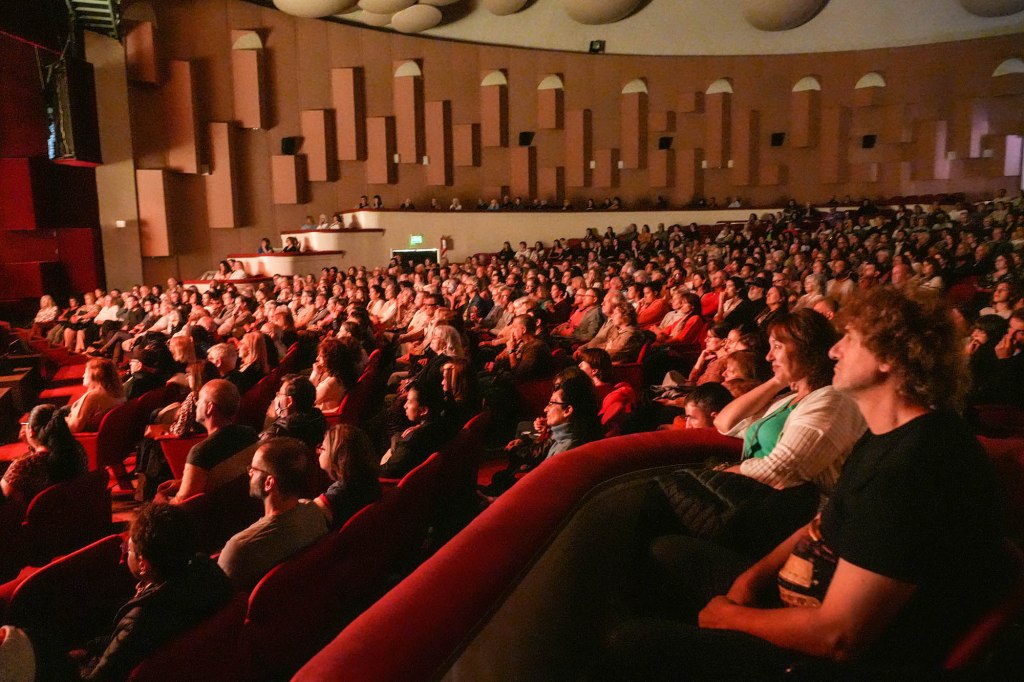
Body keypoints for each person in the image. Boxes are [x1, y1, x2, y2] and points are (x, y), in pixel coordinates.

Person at [607, 287, 1012, 679]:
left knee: (628, 643)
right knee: (665, 552)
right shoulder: (885, 433)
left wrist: (732, 618)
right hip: (805, 594)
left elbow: (840, 637)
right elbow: (824, 522)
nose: (833, 350)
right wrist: (752, 580)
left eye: (849, 340)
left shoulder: (917, 466)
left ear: (890, 357)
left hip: (830, 658)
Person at [712, 309, 865, 498]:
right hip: (751, 494)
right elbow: (724, 423)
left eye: (777, 346)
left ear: (806, 349)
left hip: (788, 507)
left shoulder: (833, 401)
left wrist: (720, 474)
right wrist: (777, 381)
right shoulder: (788, 398)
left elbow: (781, 471)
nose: (768, 357)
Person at [75, 503, 233, 680]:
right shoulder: (207, 569)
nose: (124, 553)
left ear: (143, 564)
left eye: (127, 549)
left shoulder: (139, 621)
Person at [218, 438, 328, 591]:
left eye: (254, 469)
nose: (249, 472)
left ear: (269, 483)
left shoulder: (239, 549)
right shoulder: (314, 512)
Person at [160, 379, 259, 503]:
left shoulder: (201, 453)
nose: (196, 404)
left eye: (200, 399)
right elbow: (223, 477)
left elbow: (184, 503)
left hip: (215, 517)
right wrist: (184, 482)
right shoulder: (250, 434)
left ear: (209, 407)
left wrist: (161, 501)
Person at [0, 405, 87, 507]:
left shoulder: (24, 467)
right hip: (76, 513)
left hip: (41, 521)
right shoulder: (77, 449)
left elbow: (7, 502)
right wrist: (33, 446)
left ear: (31, 431)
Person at [313, 424, 382, 530]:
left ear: (340, 457)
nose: (319, 451)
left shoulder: (335, 497)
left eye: (323, 448)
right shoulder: (371, 481)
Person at [379, 381, 448, 479]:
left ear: (424, 410)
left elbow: (385, 472)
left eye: (409, 401)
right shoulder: (441, 423)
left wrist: (391, 451)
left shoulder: (411, 440)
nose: (405, 406)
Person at [261, 375, 328, 449]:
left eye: (279, 394)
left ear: (290, 401)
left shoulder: (279, 431)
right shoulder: (318, 417)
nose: (277, 397)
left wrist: (270, 419)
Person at [65, 358, 125, 433]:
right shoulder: (120, 393)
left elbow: (74, 427)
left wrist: (65, 420)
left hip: (80, 438)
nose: (83, 375)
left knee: (48, 411)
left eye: (86, 372)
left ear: (96, 375)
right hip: (105, 434)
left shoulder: (93, 396)